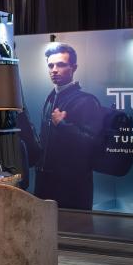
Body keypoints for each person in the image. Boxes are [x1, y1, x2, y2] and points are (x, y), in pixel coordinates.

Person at [21, 42, 104, 210]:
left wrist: (62, 125)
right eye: (50, 65)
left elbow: (92, 143)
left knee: (73, 225)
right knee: (44, 224)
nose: (54, 70)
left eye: (61, 64)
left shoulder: (86, 101)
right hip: (45, 182)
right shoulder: (51, 98)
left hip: (72, 186)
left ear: (74, 67)